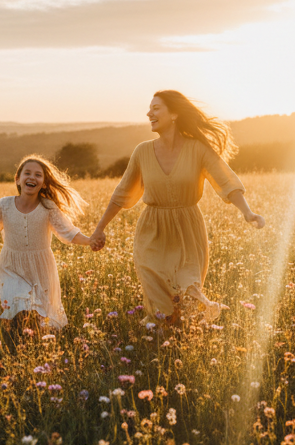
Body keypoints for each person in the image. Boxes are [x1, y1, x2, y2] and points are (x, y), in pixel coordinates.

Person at [89, 91, 265, 327]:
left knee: (187, 289)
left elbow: (227, 182)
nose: (149, 113)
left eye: (156, 108)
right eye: (149, 108)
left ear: (174, 114)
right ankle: (161, 348)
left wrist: (247, 211)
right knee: (159, 300)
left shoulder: (198, 149)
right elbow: (120, 196)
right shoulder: (142, 152)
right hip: (152, 232)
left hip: (187, 229)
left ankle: (194, 325)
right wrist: (100, 229)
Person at [0, 154, 93, 330]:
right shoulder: (5, 205)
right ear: (17, 179)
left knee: (37, 317)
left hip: (41, 268)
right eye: (27, 173)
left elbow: (69, 233)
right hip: (11, 266)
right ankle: (17, 337)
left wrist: (90, 241)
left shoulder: (48, 207)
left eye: (38, 175)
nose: (32, 177)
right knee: (22, 307)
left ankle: (28, 344)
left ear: (43, 183)